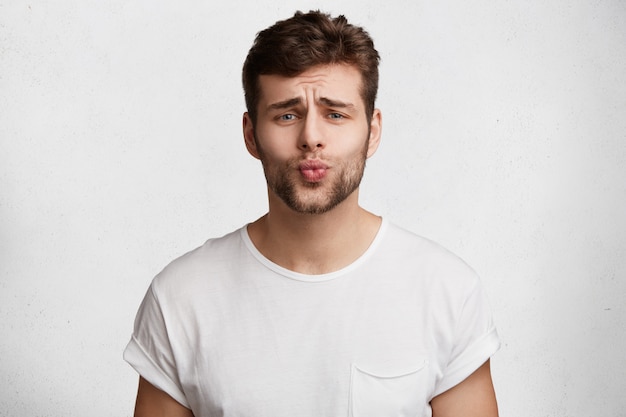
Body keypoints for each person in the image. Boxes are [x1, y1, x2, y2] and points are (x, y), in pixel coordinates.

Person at [124, 10, 500, 417]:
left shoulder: (447, 291)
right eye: (287, 115)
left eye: (335, 114)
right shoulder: (181, 298)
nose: (311, 138)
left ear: (372, 130)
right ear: (251, 134)